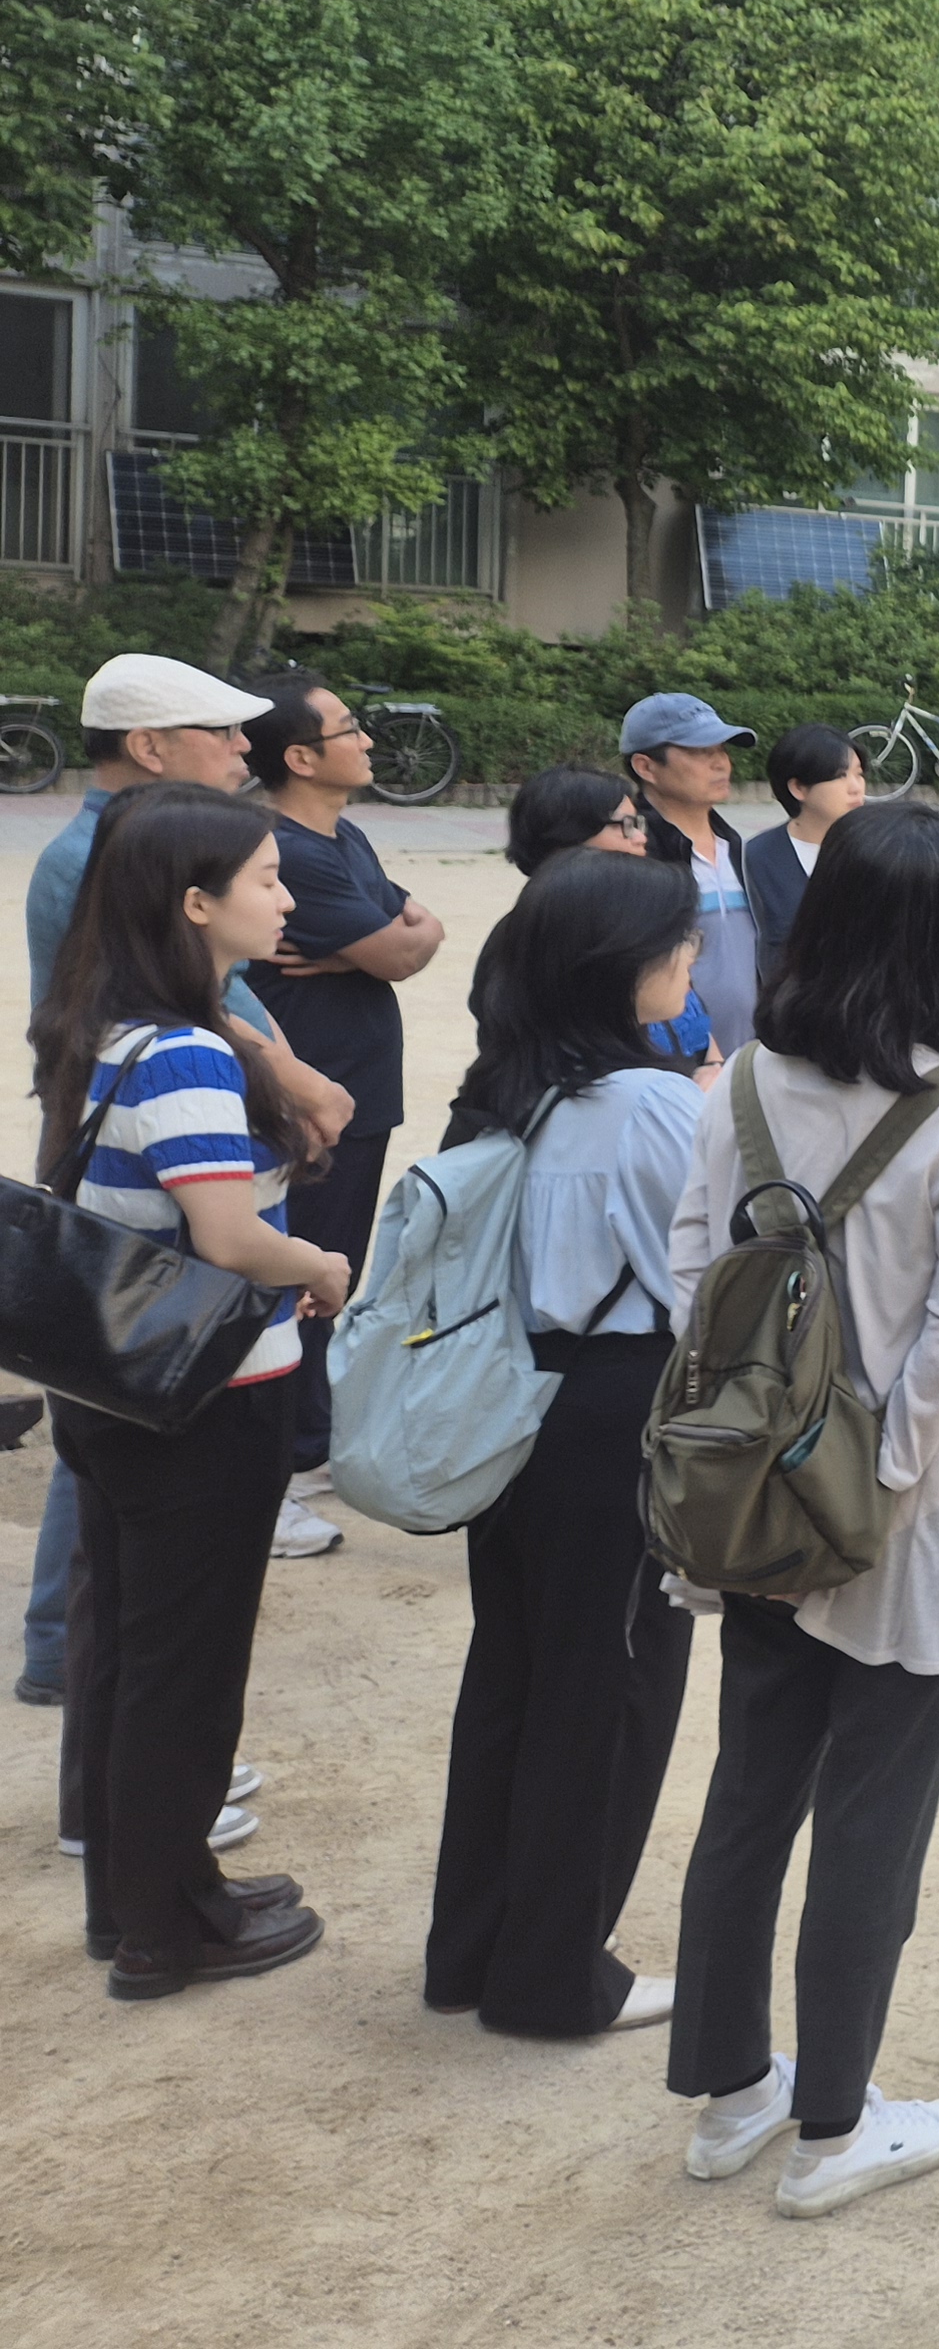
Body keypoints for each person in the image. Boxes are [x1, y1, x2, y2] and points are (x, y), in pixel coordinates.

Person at [662, 800, 939, 2219]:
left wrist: (755, 1451)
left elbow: (695, 1271)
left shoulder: (746, 1084)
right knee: (874, 1818)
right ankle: (833, 2123)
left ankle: (731, 2092)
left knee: (749, 1793)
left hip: (754, 1500)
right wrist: (879, 1485)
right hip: (909, 1520)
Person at [35, 786, 353, 1997]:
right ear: (195, 904)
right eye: (267, 877)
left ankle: (141, 1902)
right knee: (188, 1669)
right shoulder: (183, 1052)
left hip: (116, 1391)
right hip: (207, 1399)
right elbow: (227, 1236)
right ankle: (171, 1930)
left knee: (133, 1650)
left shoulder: (109, 1027)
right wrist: (317, 1264)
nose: (286, 896)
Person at [422, 849, 706, 2039]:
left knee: (515, 1673)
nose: (693, 957)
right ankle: (554, 1977)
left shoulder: (504, 1087)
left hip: (509, 1401)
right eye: (679, 939)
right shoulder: (649, 1102)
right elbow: (704, 1281)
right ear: (621, 966)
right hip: (613, 1409)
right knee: (612, 1687)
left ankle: (472, 1950)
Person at [22, 654, 341, 1710]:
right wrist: (290, 1084)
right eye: (222, 731)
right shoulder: (117, 860)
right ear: (151, 748)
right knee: (131, 1404)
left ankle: (81, 1668)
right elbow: (227, 1230)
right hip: (181, 1270)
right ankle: (63, 1650)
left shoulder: (149, 850)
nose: (245, 749)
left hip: (171, 1192)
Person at [244, 672, 445, 1526]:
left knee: (335, 1264)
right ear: (299, 757)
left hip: (355, 1089)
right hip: (311, 1096)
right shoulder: (293, 850)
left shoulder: (344, 834)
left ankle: (311, 1431)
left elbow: (421, 926)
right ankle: (291, 1453)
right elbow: (399, 950)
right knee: (305, 1268)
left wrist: (374, 946)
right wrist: (380, 946)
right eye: (348, 729)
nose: (366, 741)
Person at [500, 767, 718, 1079]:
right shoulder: (535, 940)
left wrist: (712, 1067)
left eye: (638, 824)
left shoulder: (639, 915)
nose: (641, 839)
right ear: (567, 837)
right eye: (625, 827)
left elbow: (696, 1023)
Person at [623, 693, 762, 1058]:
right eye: (700, 752)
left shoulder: (740, 850)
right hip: (676, 1066)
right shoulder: (633, 857)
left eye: (722, 749)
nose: (720, 763)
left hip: (751, 1059)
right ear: (646, 766)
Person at [742, 723, 867, 965]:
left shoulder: (878, 848)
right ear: (798, 788)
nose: (856, 787)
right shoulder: (757, 858)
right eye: (840, 776)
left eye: (859, 774)